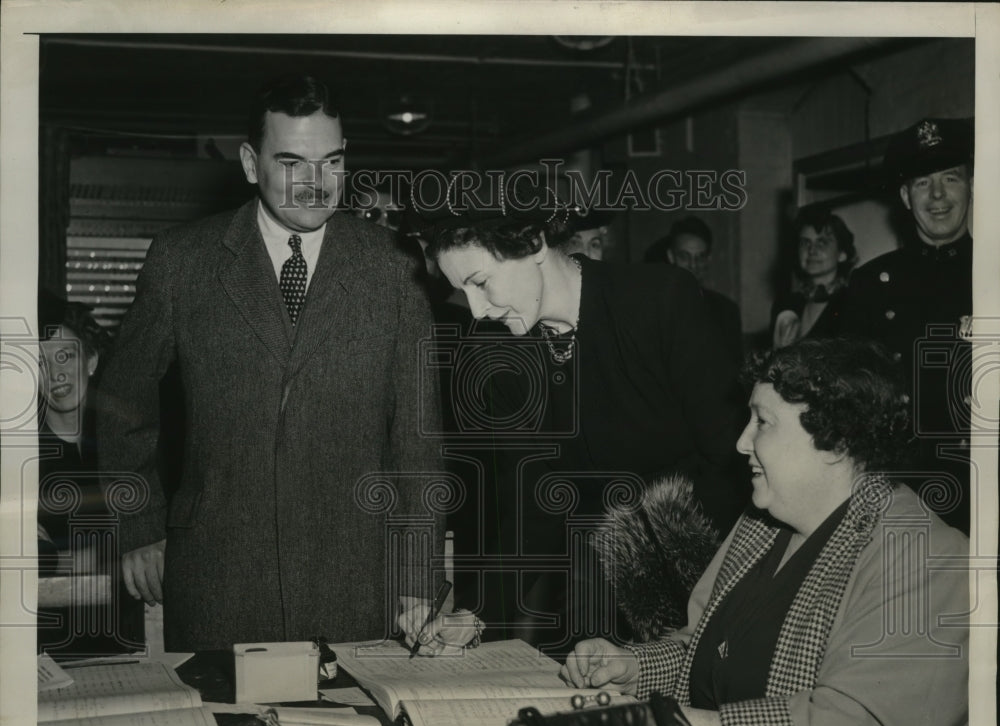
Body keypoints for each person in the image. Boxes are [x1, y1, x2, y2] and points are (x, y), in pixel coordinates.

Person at [97, 75, 444, 651]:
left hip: (357, 582)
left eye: (332, 162)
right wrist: (138, 527)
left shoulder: (395, 268)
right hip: (219, 579)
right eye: (292, 162)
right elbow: (119, 401)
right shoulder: (183, 262)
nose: (316, 185)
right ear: (251, 164)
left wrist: (417, 577)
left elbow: (418, 440)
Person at [561, 338, 968, 726]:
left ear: (836, 440)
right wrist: (635, 667)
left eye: (762, 422)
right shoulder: (763, 522)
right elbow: (707, 645)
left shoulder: (929, 557)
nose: (741, 442)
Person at [408, 173, 746, 654]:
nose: (478, 310)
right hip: (592, 591)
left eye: (481, 282)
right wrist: (476, 612)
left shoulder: (658, 300)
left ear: (533, 241)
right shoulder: (495, 352)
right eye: (465, 292)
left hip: (705, 577)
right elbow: (531, 498)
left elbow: (730, 463)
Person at [841, 117, 973, 534]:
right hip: (902, 490)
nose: (937, 195)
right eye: (921, 183)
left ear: (970, 185)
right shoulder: (870, 285)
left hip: (986, 484)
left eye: (950, 178)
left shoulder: (997, 273)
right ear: (904, 195)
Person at [36, 292, 143, 654]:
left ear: (92, 360)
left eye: (64, 356)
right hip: (51, 633)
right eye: (40, 363)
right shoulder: (22, 453)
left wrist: (88, 556)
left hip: (133, 623)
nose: (55, 374)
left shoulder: (128, 439)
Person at [645, 217, 743, 365]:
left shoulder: (727, 311)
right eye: (684, 256)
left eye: (700, 257)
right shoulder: (653, 309)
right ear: (671, 256)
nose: (693, 265)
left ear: (709, 259)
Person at [771, 208, 857, 347]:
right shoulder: (786, 305)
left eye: (822, 242)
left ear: (842, 253)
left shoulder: (852, 302)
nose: (811, 250)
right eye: (805, 242)